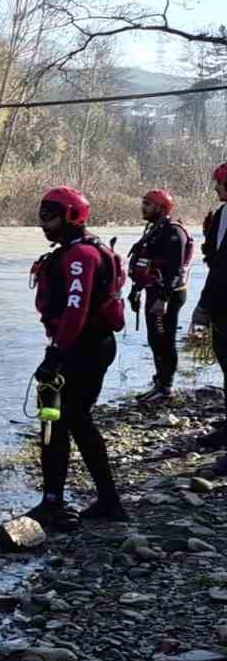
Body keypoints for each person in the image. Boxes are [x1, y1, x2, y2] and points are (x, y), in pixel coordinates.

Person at [25, 185, 128, 528]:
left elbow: (75, 309)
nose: (44, 224)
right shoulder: (78, 250)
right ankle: (103, 500)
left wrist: (56, 353)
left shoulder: (82, 256)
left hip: (81, 348)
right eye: (41, 216)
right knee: (65, 418)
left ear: (71, 216)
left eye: (50, 217)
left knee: (61, 419)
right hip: (81, 346)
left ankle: (57, 502)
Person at [128, 188, 192, 403]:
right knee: (155, 339)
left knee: (165, 340)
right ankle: (160, 382)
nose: (142, 207)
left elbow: (175, 270)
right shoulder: (154, 229)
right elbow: (144, 261)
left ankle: (166, 388)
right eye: (143, 202)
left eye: (147, 203)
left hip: (169, 294)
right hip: (154, 292)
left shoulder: (174, 232)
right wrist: (135, 290)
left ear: (161, 207)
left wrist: (163, 300)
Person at [192, 165, 227, 459]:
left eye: (220, 183)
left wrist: (202, 307)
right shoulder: (220, 215)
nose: (216, 189)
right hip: (222, 305)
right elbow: (215, 261)